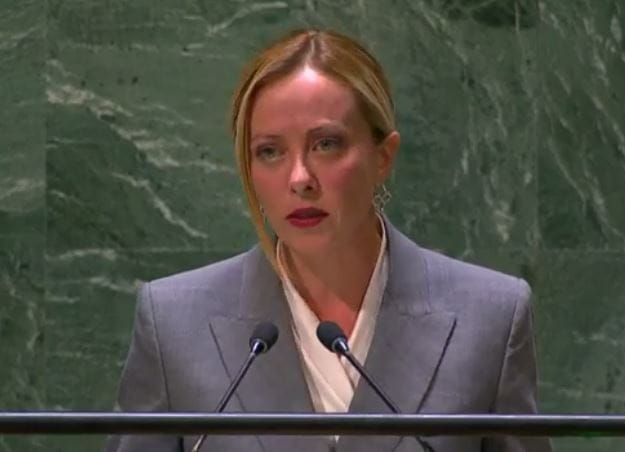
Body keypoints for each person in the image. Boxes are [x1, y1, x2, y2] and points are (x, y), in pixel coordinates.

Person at [106, 29, 552, 452]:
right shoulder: (173, 323)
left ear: (383, 156)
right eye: (270, 151)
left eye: (326, 144)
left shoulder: (490, 318)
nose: (299, 178)